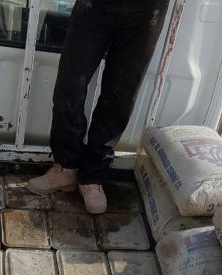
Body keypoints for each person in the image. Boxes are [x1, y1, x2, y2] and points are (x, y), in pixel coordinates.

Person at [27, 0, 168, 214]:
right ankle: (66, 167)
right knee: (70, 85)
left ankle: (93, 177)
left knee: (121, 94)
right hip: (95, 6)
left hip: (147, 9)